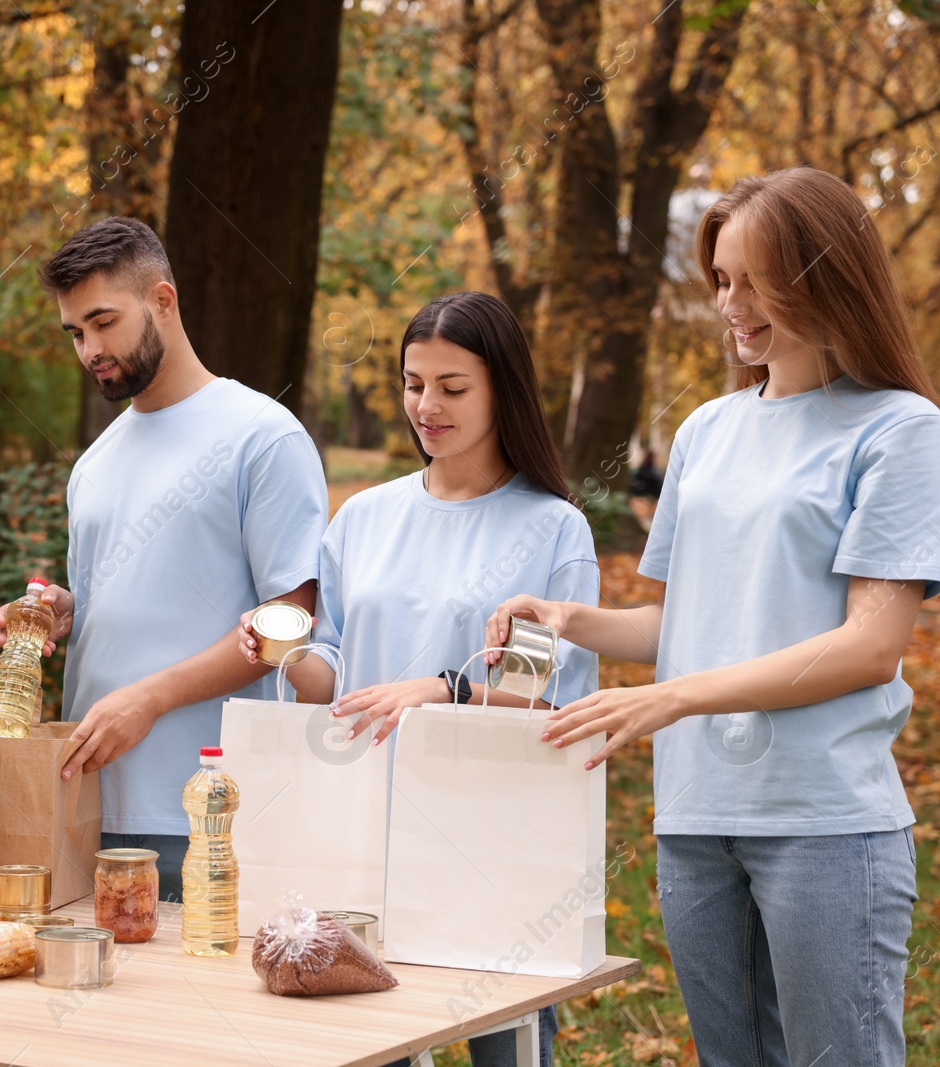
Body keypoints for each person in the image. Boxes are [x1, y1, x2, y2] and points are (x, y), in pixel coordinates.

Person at [488, 165, 940, 1066]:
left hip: (822, 820)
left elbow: (872, 645)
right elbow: (684, 623)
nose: (729, 305)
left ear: (820, 275)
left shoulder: (899, 429)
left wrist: (678, 698)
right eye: (720, 281)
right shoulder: (705, 430)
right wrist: (570, 617)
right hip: (695, 817)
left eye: (752, 281)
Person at [241, 291, 598, 1067]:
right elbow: (330, 671)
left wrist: (438, 688)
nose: (426, 406)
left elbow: (549, 690)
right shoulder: (362, 517)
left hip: (490, 835)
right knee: (366, 1043)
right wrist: (280, 649)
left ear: (503, 388)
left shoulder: (553, 527)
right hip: (358, 823)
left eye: (452, 387)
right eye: (413, 383)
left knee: (505, 1046)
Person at [0, 216, 328, 901]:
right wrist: (64, 612)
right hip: (83, 805)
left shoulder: (261, 437)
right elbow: (144, 600)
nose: (89, 349)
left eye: (103, 322)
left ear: (163, 301)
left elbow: (290, 627)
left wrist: (150, 699)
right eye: (75, 333)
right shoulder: (93, 464)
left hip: (203, 813)